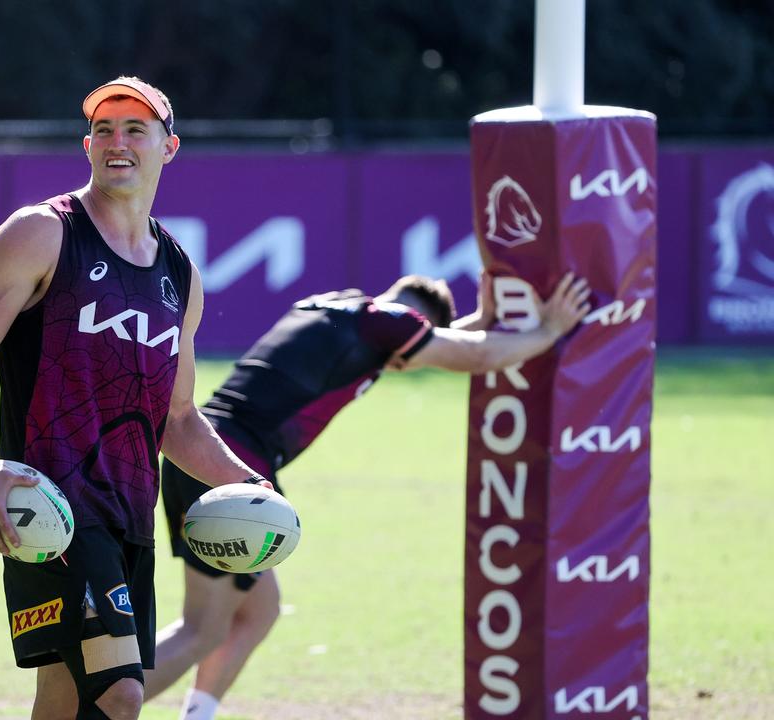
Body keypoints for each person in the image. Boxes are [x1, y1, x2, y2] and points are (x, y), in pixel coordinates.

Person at [0, 76, 271, 720]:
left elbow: (177, 419)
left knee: (63, 700)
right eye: (105, 130)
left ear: (167, 148)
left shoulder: (179, 274)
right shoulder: (41, 233)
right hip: (48, 509)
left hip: (128, 518)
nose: (119, 142)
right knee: (119, 695)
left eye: (136, 130)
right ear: (87, 145)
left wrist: (253, 487)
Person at [145, 271, 593, 720]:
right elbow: (472, 356)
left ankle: (195, 715)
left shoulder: (340, 307)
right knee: (202, 629)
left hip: (204, 453)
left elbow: (426, 346)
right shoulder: (391, 325)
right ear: (419, 321)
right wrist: (549, 331)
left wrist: (482, 319)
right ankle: (103, 709)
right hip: (235, 470)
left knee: (261, 610)